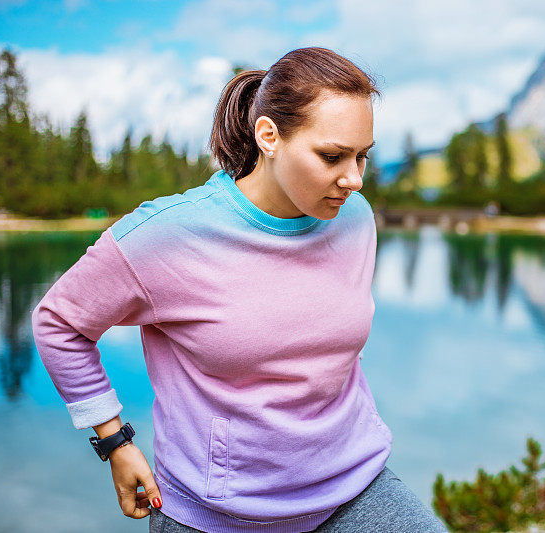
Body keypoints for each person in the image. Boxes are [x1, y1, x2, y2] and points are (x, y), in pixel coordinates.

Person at [31, 47, 449, 533]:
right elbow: (59, 323)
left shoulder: (354, 218)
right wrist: (113, 441)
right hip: (214, 516)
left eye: (362, 156)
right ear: (268, 135)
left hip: (353, 490)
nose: (353, 179)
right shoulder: (168, 235)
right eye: (332, 156)